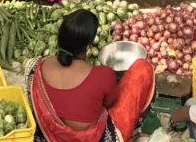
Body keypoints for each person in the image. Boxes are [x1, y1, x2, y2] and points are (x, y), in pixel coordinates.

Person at [27, 8, 155, 142]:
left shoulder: (36, 67)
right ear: (88, 45)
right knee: (143, 69)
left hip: (51, 135)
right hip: (95, 138)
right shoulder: (103, 75)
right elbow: (110, 102)